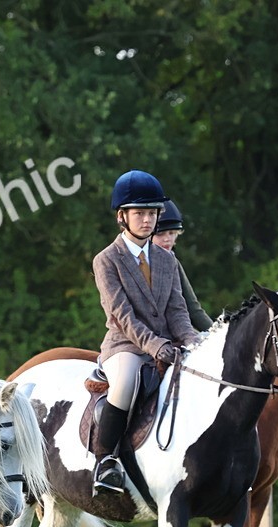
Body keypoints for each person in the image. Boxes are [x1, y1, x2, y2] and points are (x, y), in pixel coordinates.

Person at [91, 170, 199, 494]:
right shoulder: (106, 260)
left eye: (152, 213)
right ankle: (105, 460)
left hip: (166, 344)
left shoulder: (167, 260)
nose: (147, 219)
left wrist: (195, 341)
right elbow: (122, 315)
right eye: (139, 213)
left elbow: (178, 312)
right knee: (125, 383)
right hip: (125, 346)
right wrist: (155, 345)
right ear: (122, 217)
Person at [153, 199, 213, 331]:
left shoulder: (173, 262)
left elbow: (194, 310)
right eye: (160, 234)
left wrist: (219, 336)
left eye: (172, 233)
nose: (168, 238)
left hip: (178, 334)